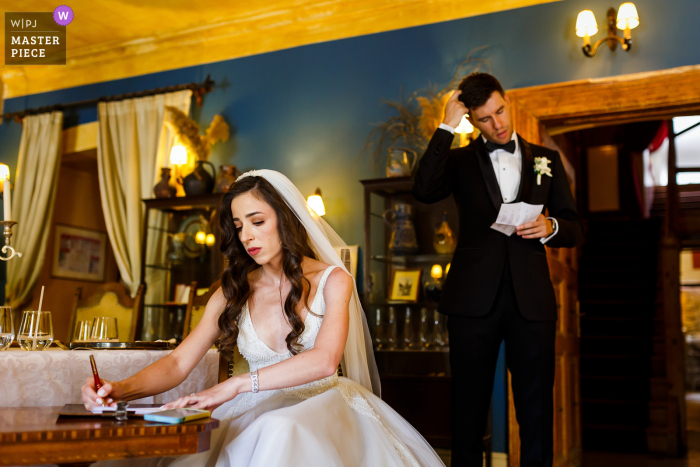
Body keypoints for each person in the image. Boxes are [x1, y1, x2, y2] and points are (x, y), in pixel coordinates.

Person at [82, 169, 445, 467]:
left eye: (257, 221)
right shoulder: (233, 290)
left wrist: (236, 385)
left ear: (285, 218)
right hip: (252, 408)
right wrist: (121, 389)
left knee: (280, 429)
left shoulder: (334, 281)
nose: (247, 236)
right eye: (239, 226)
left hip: (321, 404)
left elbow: (324, 361)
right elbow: (179, 361)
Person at [413, 73, 583, 467]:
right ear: (472, 119)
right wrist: (445, 126)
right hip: (473, 300)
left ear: (507, 101)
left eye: (501, 110)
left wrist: (550, 227)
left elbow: (573, 227)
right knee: (468, 408)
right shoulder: (457, 160)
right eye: (486, 118)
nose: (499, 123)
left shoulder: (548, 159)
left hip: (532, 300)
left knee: (537, 407)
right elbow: (422, 190)